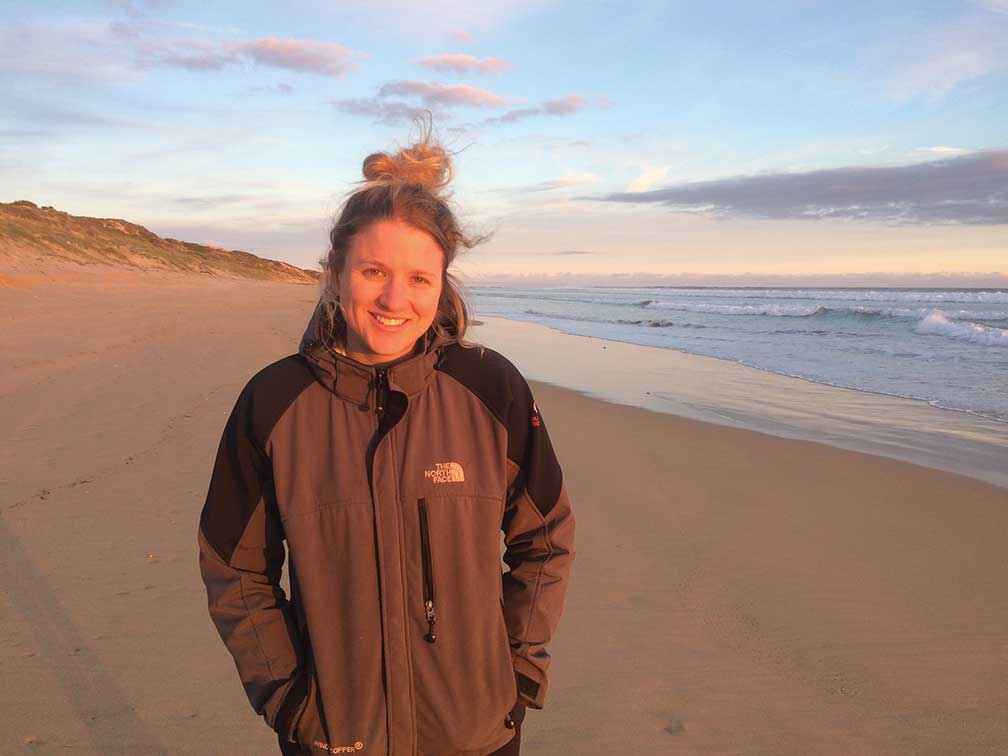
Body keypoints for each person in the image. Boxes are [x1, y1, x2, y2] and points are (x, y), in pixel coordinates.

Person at [196, 118, 576, 756]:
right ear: (336, 272)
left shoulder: (491, 389)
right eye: (373, 271)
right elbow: (235, 567)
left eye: (419, 278)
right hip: (336, 735)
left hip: (476, 733)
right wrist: (288, 697)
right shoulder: (275, 402)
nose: (394, 298)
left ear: (442, 285)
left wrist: (517, 674)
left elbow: (545, 540)